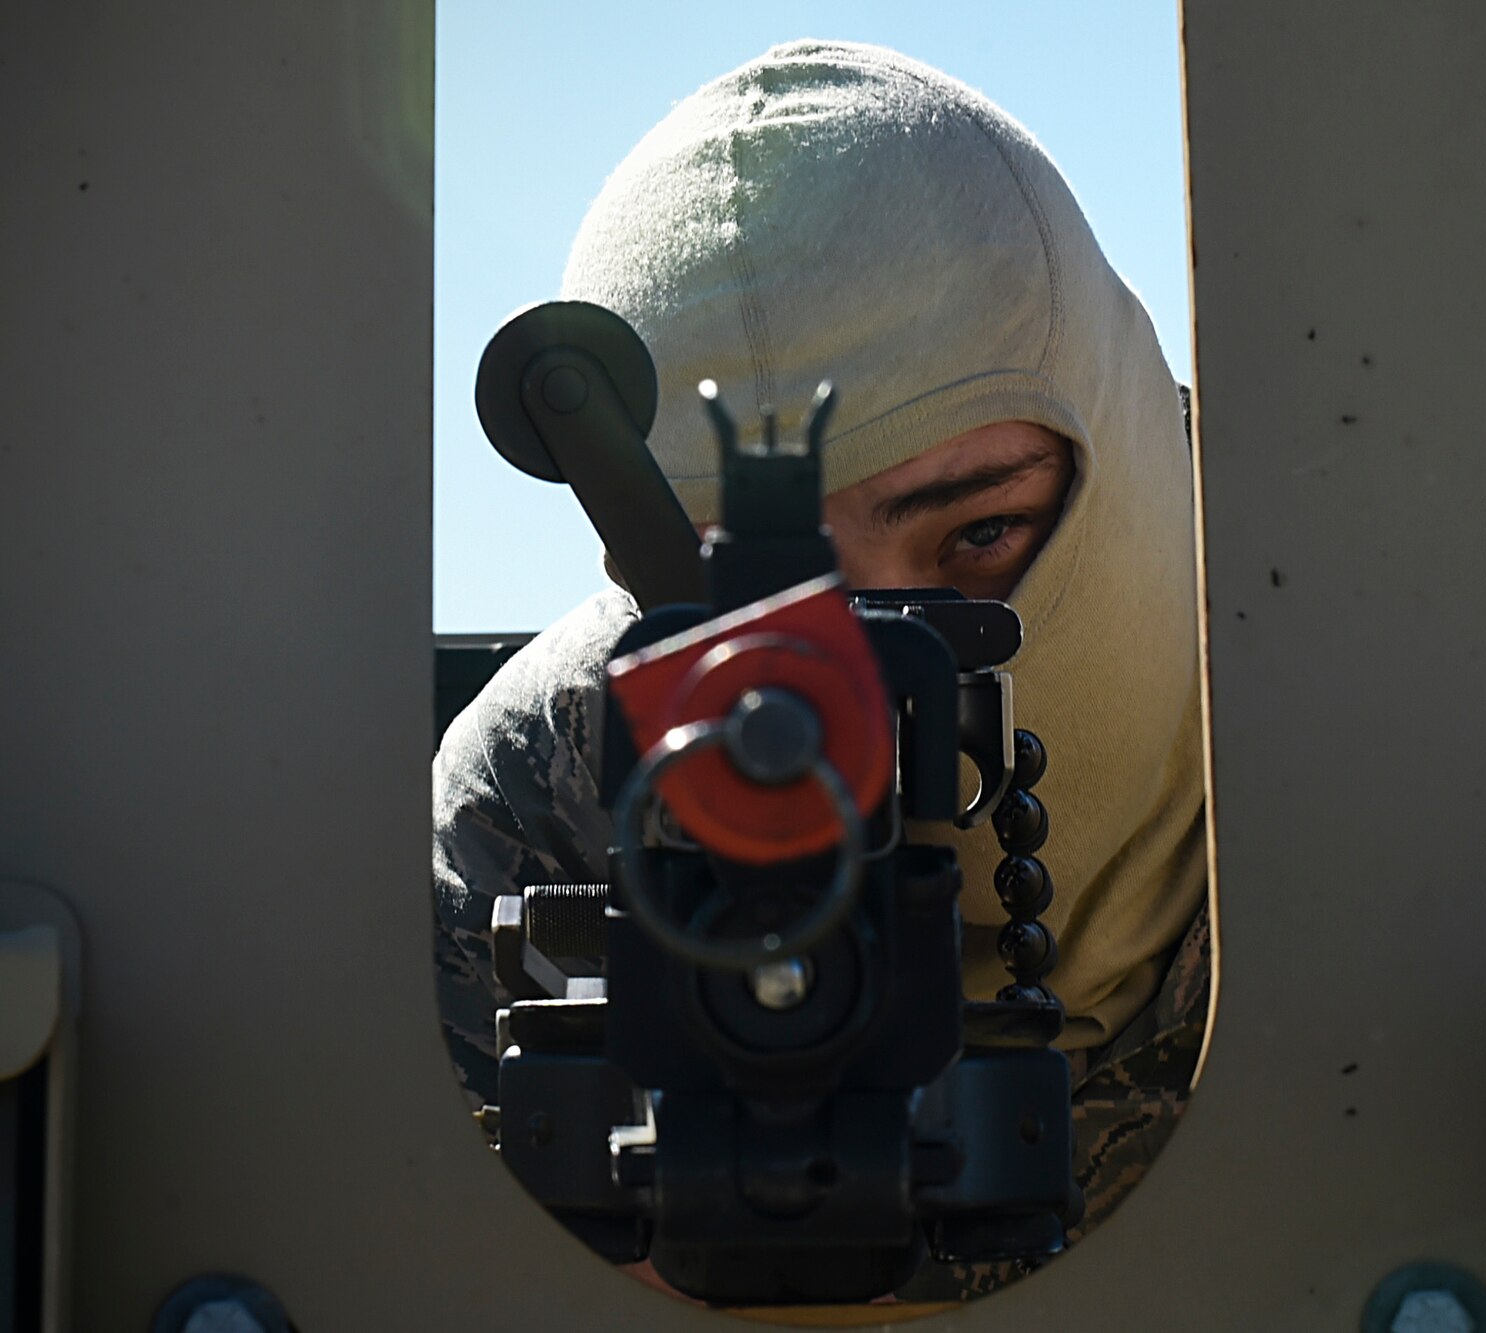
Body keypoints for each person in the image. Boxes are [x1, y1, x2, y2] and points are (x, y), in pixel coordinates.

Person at [432, 39, 1208, 1301]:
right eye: (726, 593)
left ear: (1116, 445)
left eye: (977, 536)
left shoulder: (1339, 695)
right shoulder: (544, 800)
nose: (840, 691)